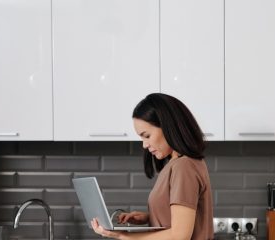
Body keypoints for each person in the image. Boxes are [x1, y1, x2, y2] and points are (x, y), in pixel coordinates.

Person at [91, 93, 214, 240]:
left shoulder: (184, 166)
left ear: (168, 126)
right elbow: (182, 218)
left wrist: (123, 236)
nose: (144, 144)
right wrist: (150, 217)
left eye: (147, 135)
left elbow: (179, 235)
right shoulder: (179, 163)